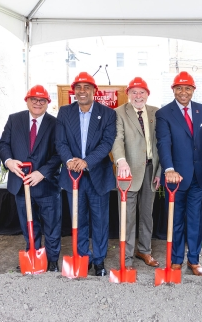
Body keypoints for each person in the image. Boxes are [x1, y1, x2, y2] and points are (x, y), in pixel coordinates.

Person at [55, 72, 117, 276]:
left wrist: (86, 162)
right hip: (73, 175)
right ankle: (83, 257)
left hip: (97, 173)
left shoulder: (107, 114)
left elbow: (107, 143)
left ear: (94, 91)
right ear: (74, 91)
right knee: (77, 219)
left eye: (86, 87)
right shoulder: (65, 112)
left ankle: (99, 260)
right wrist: (71, 160)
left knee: (100, 220)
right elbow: (60, 142)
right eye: (78, 87)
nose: (82, 91)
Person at [156, 71, 202, 276]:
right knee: (175, 220)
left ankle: (193, 260)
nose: (184, 92)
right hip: (175, 178)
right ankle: (175, 259)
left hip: (199, 178)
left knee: (195, 219)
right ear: (173, 90)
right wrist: (169, 169)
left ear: (193, 90)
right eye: (179, 88)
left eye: (187, 88)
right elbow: (163, 144)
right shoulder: (164, 113)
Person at [0, 85, 62, 272]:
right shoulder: (14, 119)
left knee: (51, 225)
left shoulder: (55, 123)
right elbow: (3, 144)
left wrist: (41, 172)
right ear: (27, 100)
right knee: (29, 224)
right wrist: (9, 161)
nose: (37, 103)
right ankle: (32, 255)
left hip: (47, 185)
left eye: (42, 100)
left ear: (47, 104)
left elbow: (59, 153)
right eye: (34, 99)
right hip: (20, 184)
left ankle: (51, 260)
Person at [112, 77, 161, 268]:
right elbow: (117, 139)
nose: (138, 96)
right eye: (134, 92)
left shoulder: (156, 113)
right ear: (128, 94)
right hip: (128, 170)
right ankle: (127, 256)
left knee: (147, 214)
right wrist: (121, 161)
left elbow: (162, 143)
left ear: (147, 94)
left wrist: (160, 170)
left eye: (142, 92)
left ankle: (145, 250)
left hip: (151, 169)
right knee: (127, 215)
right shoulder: (119, 113)